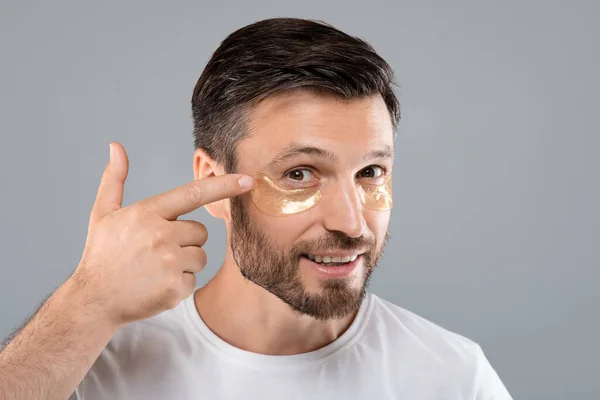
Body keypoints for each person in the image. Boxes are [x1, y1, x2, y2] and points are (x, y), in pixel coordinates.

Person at [0, 18, 513, 399]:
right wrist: (85, 303)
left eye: (370, 173)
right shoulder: (92, 371)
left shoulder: (452, 376)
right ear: (214, 183)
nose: (351, 222)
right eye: (299, 174)